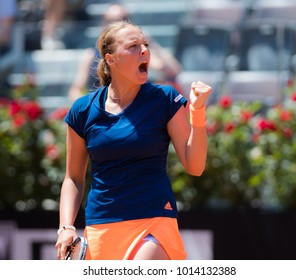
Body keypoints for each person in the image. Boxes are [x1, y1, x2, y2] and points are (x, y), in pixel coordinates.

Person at [55, 20, 212, 260]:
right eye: (133, 46)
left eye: (145, 44)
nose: (144, 51)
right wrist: (66, 227)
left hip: (154, 222)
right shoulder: (82, 110)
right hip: (101, 227)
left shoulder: (165, 99)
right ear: (111, 59)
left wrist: (197, 113)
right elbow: (73, 178)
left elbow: (195, 165)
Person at [67, 2, 182, 102]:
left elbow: (172, 70)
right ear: (103, 24)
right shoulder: (90, 55)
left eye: (122, 19)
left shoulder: (137, 53)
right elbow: (75, 90)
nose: (116, 24)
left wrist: (150, 43)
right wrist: (89, 106)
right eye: (110, 20)